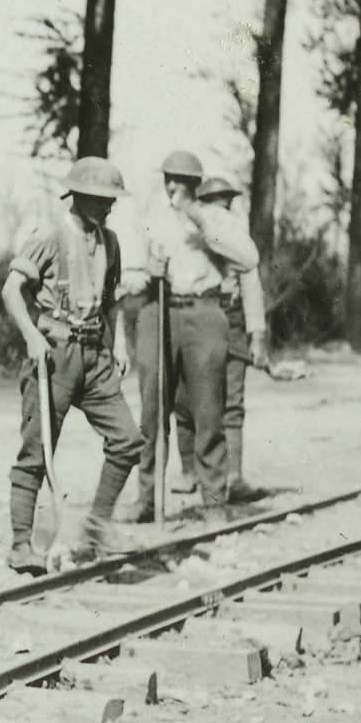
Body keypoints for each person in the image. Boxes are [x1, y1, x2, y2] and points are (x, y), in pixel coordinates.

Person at [0, 157, 143, 571]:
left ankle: (98, 525)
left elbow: (112, 302)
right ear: (78, 196)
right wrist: (31, 335)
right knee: (37, 451)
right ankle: (21, 545)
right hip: (54, 354)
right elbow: (12, 290)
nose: (109, 207)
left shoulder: (111, 242)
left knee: (128, 440)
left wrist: (118, 347)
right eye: (101, 199)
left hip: (95, 354)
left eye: (112, 200)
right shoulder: (49, 235)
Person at [122, 150, 256, 524]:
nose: (171, 186)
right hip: (156, 309)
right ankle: (146, 498)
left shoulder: (215, 218)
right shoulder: (150, 217)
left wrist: (197, 218)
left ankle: (214, 501)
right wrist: (144, 271)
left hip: (204, 311)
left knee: (209, 410)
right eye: (167, 178)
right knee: (151, 410)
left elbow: (248, 259)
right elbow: (128, 275)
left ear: (195, 184)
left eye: (179, 180)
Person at [195, 174, 273, 501]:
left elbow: (251, 286)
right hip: (200, 316)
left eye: (225, 202)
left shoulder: (239, 238)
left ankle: (234, 476)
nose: (222, 208)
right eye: (215, 202)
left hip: (233, 318)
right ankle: (199, 476)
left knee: (232, 402)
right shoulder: (194, 235)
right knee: (199, 400)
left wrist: (257, 335)